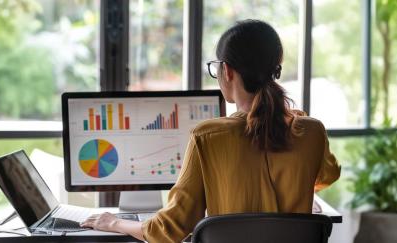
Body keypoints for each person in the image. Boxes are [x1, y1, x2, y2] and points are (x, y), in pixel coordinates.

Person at [80, 19, 341, 243]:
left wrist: (114, 223)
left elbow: (171, 228)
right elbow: (327, 175)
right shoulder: (312, 131)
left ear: (226, 71)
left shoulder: (208, 136)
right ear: (275, 69)